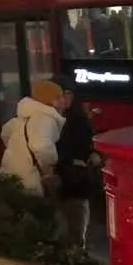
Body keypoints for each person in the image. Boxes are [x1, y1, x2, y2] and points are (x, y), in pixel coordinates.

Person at [50, 76, 99, 249]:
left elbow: (88, 146)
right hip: (56, 181)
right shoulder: (47, 120)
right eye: (60, 94)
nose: (65, 98)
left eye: (68, 93)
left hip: (76, 183)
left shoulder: (79, 120)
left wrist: (89, 157)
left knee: (76, 232)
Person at [0, 79, 68, 197]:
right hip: (29, 178)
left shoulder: (25, 116)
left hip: (10, 172)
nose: (63, 101)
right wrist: (50, 163)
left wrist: (18, 151)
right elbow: (41, 146)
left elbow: (5, 133)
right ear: (47, 100)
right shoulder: (46, 118)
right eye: (58, 97)